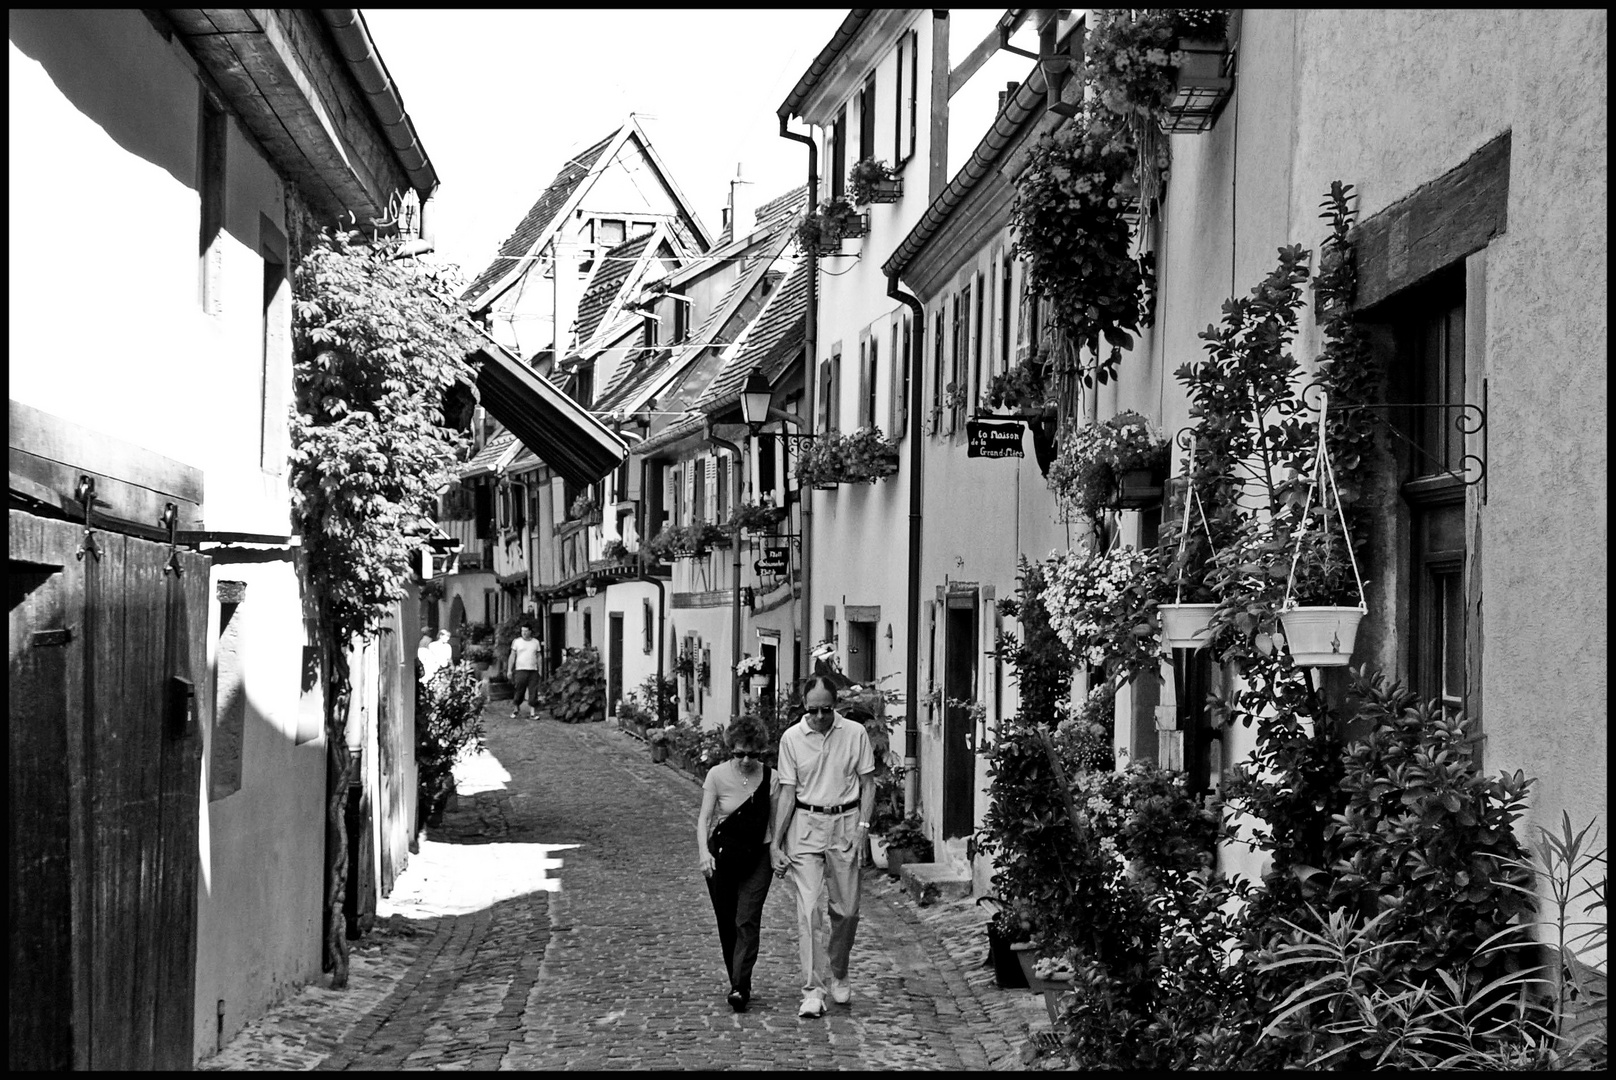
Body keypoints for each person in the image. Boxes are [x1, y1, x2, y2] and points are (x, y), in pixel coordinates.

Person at [769, 676, 876, 1018]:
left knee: (846, 912)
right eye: (812, 710)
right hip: (805, 827)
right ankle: (813, 989)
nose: (818, 717)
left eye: (825, 709)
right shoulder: (791, 739)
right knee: (810, 910)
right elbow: (787, 791)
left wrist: (862, 828)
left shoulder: (855, 733)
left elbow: (868, 784)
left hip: (845, 824)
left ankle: (839, 970)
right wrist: (777, 842)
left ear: (837, 704)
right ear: (803, 706)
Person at [696, 714, 779, 1013]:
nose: (746, 760)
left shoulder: (772, 778)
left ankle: (740, 986)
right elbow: (705, 818)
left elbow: (774, 822)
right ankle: (737, 977)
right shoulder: (717, 775)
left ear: (761, 750)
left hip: (758, 856)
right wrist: (704, 853)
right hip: (723, 856)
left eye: (753, 754)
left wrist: (777, 852)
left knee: (747, 918)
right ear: (731, 749)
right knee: (727, 920)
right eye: (739, 753)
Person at [507, 623, 543, 719]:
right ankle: (516, 709)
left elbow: (539, 656)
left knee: (533, 691)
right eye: (522, 631)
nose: (524, 633)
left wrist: (540, 670)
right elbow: (512, 656)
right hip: (520, 669)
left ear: (530, 631)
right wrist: (509, 670)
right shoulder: (517, 642)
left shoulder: (535, 642)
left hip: (533, 670)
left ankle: (532, 712)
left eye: (526, 631)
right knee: (519, 690)